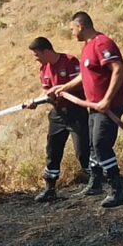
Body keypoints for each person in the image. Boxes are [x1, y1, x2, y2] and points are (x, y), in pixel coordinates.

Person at [50, 11, 123, 208]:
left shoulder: (102, 43)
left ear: (81, 26)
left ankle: (116, 188)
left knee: (101, 144)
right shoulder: (87, 48)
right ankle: (95, 183)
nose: (71, 33)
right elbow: (85, 76)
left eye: (72, 29)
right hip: (95, 106)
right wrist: (63, 88)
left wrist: (107, 99)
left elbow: (117, 70)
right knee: (93, 146)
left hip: (109, 105)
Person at [25, 37, 90, 202]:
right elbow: (46, 92)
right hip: (58, 114)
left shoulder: (69, 61)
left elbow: (81, 83)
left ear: (46, 51)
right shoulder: (44, 68)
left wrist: (61, 89)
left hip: (76, 112)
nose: (36, 58)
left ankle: (98, 183)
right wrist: (35, 101)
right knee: (53, 151)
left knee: (83, 151)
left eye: (37, 54)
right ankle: (50, 189)